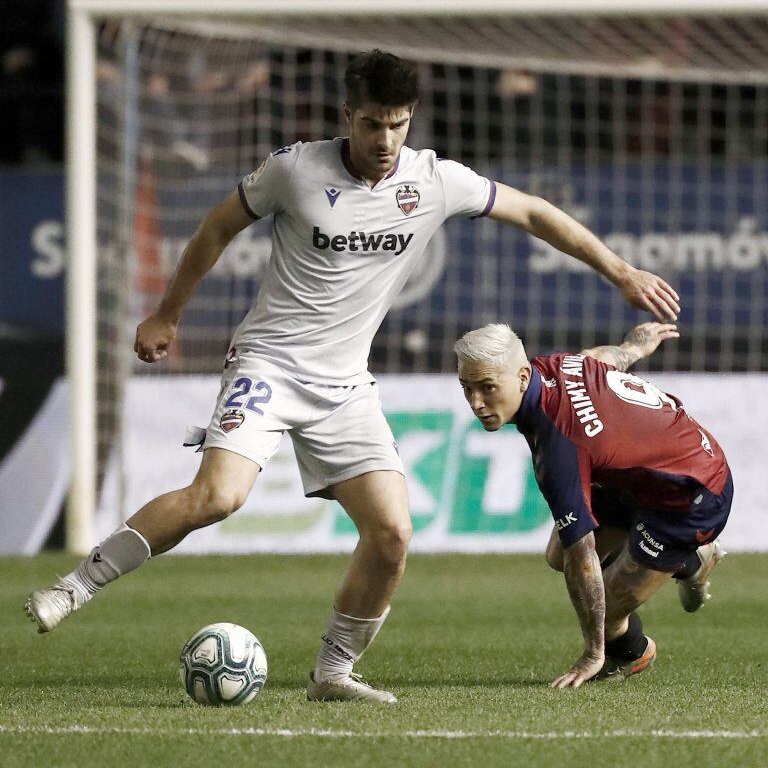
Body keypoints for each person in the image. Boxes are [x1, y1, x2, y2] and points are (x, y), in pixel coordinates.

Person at [26, 50, 680, 704]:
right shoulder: (294, 170)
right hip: (269, 364)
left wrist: (621, 271)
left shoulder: (432, 181)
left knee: (393, 533)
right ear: (348, 117)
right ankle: (74, 586)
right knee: (219, 497)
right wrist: (168, 313)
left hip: (344, 386)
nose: (385, 140)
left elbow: (536, 212)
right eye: (372, 124)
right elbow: (217, 226)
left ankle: (333, 672)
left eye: (397, 124)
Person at [454, 321, 732, 688]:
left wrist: (592, 651)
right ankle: (685, 561)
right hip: (638, 476)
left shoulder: (559, 445)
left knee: (601, 607)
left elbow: (581, 553)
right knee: (557, 555)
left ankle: (632, 650)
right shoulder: (558, 365)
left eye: (487, 387)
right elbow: (602, 359)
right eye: (467, 388)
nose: (476, 402)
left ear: (523, 377)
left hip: (691, 495)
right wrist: (636, 345)